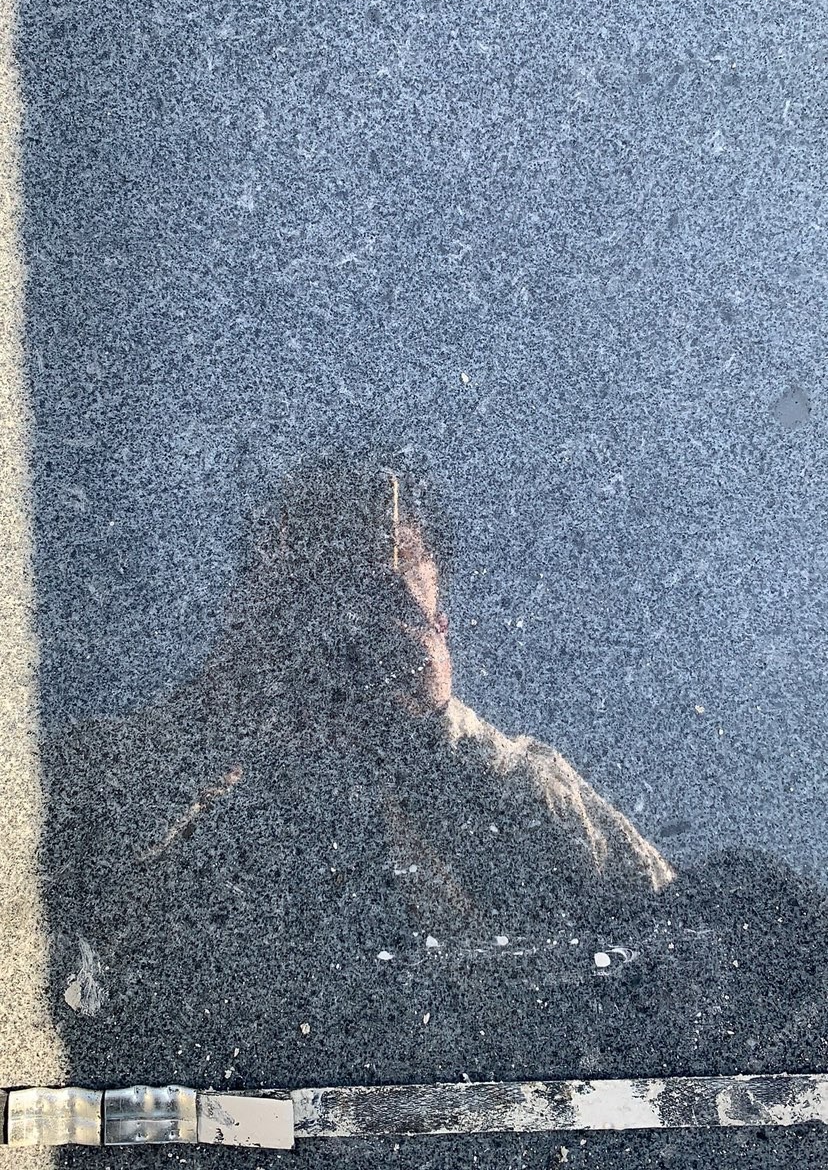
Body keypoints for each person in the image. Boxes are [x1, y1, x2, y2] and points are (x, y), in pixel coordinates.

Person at [40, 451, 828, 1129]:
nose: (348, 635)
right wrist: (226, 711)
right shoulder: (173, 790)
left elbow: (673, 936)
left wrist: (434, 730)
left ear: (439, 625)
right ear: (257, 610)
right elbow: (48, 846)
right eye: (319, 592)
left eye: (391, 596)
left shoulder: (523, 813)